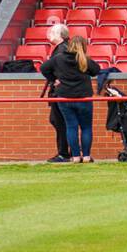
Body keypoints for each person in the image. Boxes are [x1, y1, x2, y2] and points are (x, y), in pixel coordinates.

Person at [40, 34, 101, 163]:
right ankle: (86, 156)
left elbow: (43, 68)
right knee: (86, 127)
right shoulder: (84, 59)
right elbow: (96, 70)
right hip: (83, 98)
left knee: (71, 127)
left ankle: (75, 156)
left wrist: (54, 79)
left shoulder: (58, 58)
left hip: (65, 98)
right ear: (84, 47)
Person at [42, 23, 71, 164]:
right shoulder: (63, 48)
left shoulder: (62, 50)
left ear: (60, 35)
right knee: (58, 120)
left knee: (60, 121)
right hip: (62, 91)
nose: (50, 34)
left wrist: (55, 79)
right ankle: (66, 151)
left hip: (61, 92)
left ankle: (64, 153)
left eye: (53, 32)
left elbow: (47, 68)